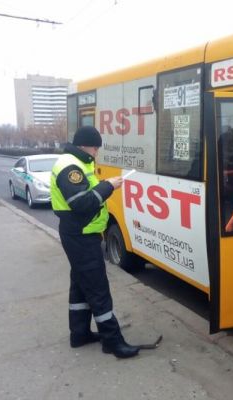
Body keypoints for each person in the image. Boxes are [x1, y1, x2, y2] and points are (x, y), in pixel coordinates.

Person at [50, 126, 141, 359]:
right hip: (81, 236)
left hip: (81, 234)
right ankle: (113, 342)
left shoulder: (76, 162)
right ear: (84, 145)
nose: (96, 152)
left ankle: (79, 334)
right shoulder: (71, 168)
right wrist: (108, 185)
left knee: (80, 285)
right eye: (95, 148)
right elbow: (82, 203)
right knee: (98, 289)